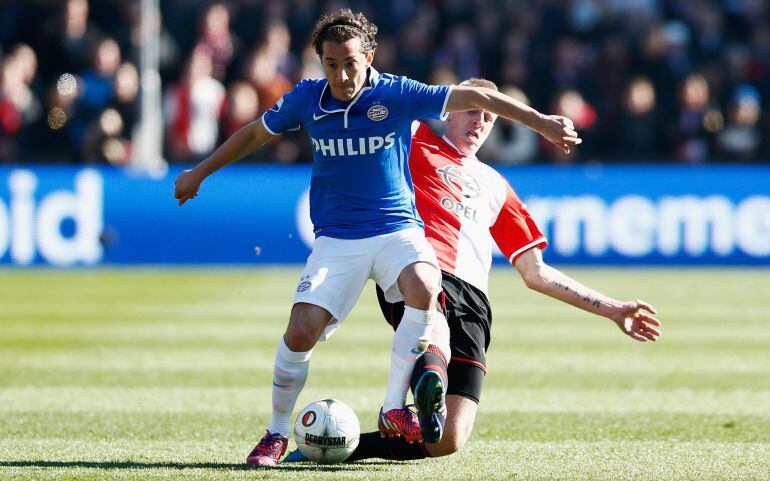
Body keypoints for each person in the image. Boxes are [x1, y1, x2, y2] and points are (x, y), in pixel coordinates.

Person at [173, 11, 581, 467]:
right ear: (320, 63)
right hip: (337, 241)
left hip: (396, 231)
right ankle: (275, 433)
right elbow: (255, 134)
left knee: (426, 287)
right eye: (331, 64)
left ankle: (392, 407)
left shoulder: (396, 92)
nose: (342, 75)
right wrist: (200, 171)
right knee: (300, 331)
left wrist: (539, 121)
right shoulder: (308, 99)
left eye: (350, 63)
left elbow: (471, 94)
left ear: (368, 57)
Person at [287, 78, 661, 463]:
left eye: (489, 116)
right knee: (434, 327)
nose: (479, 121)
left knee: (447, 440)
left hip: (475, 302)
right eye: (472, 110)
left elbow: (536, 273)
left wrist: (612, 309)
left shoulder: (497, 186)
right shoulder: (413, 140)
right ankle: (429, 375)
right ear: (448, 111)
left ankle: (342, 446)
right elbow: (376, 95)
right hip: (417, 271)